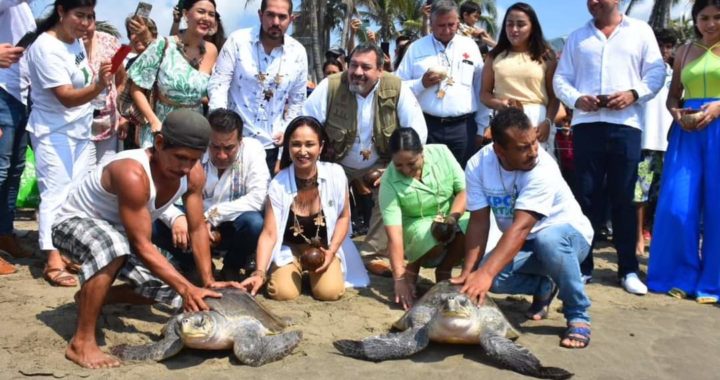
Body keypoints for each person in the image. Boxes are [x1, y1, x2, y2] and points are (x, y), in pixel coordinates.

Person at [51, 109, 240, 369]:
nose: (185, 167)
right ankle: (81, 342)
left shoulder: (192, 174)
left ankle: (94, 296)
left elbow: (197, 228)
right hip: (72, 226)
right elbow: (140, 244)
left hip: (120, 234)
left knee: (167, 289)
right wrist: (186, 287)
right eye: (180, 158)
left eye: (193, 160)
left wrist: (207, 280)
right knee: (116, 248)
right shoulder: (132, 172)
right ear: (159, 143)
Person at [453, 108, 594, 349]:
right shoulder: (477, 165)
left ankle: (577, 313)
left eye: (534, 142)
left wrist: (484, 274)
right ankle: (544, 286)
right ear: (499, 150)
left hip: (568, 236)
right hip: (526, 243)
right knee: (490, 278)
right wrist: (471, 271)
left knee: (548, 241)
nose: (533, 152)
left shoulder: (543, 168)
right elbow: (478, 221)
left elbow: (520, 228)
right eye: (522, 147)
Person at [553, 0, 665, 294]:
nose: (593, 3)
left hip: (626, 125)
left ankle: (628, 269)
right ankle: (584, 265)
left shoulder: (640, 31)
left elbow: (655, 74)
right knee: (587, 196)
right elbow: (560, 79)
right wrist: (577, 99)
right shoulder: (578, 36)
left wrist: (633, 93)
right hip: (586, 125)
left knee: (625, 197)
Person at [303, 43, 427, 276]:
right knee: (313, 187)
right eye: (353, 65)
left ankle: (375, 254)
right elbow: (307, 124)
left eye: (366, 67)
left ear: (380, 70)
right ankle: (319, 245)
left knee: (392, 185)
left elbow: (417, 131)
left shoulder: (397, 88)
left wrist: (395, 167)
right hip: (335, 161)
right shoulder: (330, 86)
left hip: (380, 161)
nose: (357, 72)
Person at [25, 0, 113, 287]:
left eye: (90, 17)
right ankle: (51, 257)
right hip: (53, 131)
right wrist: (99, 85)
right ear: (61, 11)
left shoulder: (75, 42)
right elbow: (65, 95)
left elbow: (81, 78)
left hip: (79, 130)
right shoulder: (45, 47)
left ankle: (64, 248)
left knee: (75, 193)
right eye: (80, 15)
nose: (86, 23)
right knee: (54, 192)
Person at [239, 116, 369, 301]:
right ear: (288, 148)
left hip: (324, 248)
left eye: (310, 144)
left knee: (329, 293)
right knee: (282, 293)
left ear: (321, 147)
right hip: (290, 249)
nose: (303, 151)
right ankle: (294, 270)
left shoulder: (336, 174)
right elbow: (269, 233)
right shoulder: (278, 184)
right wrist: (259, 272)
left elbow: (343, 217)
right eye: (296, 144)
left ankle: (317, 276)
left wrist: (331, 251)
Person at [648, 0, 720, 304]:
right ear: (695, 20)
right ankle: (681, 274)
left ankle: (713, 282)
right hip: (687, 133)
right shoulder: (685, 51)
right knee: (679, 205)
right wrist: (676, 113)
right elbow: (673, 94)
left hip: (718, 127)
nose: (711, 23)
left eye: (717, 17)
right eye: (704, 17)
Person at [156, 108, 269, 281]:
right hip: (189, 220)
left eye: (229, 148)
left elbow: (258, 198)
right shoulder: (193, 149)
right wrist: (176, 217)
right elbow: (159, 191)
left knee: (254, 222)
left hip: (230, 224)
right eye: (215, 147)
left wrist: (212, 216)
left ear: (241, 140)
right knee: (154, 223)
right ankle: (190, 264)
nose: (221, 155)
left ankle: (232, 266)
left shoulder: (253, 150)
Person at [208, 0, 308, 174]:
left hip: (271, 146)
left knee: (263, 199)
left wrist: (285, 135)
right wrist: (222, 128)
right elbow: (218, 85)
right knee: (220, 197)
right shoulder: (238, 41)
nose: (276, 22)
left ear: (291, 19)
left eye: (282, 17)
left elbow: (297, 102)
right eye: (270, 15)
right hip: (232, 142)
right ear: (260, 15)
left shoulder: (298, 53)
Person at [380, 128, 468, 310]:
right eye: (399, 165)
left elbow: (464, 191)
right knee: (428, 234)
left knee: (472, 223)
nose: (405, 170)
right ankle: (411, 269)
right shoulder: (388, 181)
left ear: (422, 152)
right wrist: (399, 278)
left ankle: (445, 270)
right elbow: (394, 235)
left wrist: (452, 218)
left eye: (411, 164)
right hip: (415, 225)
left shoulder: (442, 153)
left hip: (451, 213)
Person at [395, 0, 490, 167]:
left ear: (458, 22)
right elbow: (398, 87)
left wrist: (481, 127)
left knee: (463, 180)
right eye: (440, 25)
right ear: (431, 23)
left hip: (464, 128)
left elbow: (480, 88)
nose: (446, 30)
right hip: (427, 126)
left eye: (451, 25)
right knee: (429, 177)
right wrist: (421, 83)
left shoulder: (471, 47)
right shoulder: (416, 48)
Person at [128, 0, 218, 148]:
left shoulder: (212, 50)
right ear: (185, 14)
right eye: (201, 12)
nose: (206, 18)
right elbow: (136, 89)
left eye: (211, 14)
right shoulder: (163, 44)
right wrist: (153, 121)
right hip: (162, 130)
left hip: (194, 131)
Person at [480, 2, 559, 158]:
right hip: (505, 118)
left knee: (537, 168)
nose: (514, 30)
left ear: (532, 27)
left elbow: (554, 97)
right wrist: (499, 104)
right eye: (509, 24)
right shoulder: (494, 56)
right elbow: (484, 94)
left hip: (537, 119)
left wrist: (548, 123)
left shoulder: (546, 56)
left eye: (521, 24)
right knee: (505, 166)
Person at [0, 0, 36, 273]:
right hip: (1, 92)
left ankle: (4, 233)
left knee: (14, 171)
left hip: (19, 96)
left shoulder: (23, 9)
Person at [634, 28, 676, 255]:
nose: (664, 50)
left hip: (669, 143)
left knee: (663, 195)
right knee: (640, 193)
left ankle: (656, 235)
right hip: (645, 140)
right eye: (660, 45)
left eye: (668, 46)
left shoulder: (675, 73)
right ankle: (638, 237)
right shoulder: (641, 72)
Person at [82, 16, 128, 168]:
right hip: (79, 126)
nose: (83, 27)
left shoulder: (109, 42)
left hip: (109, 123)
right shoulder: (61, 46)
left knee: (106, 174)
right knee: (85, 176)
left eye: (88, 20)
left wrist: (121, 114)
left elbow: (122, 80)